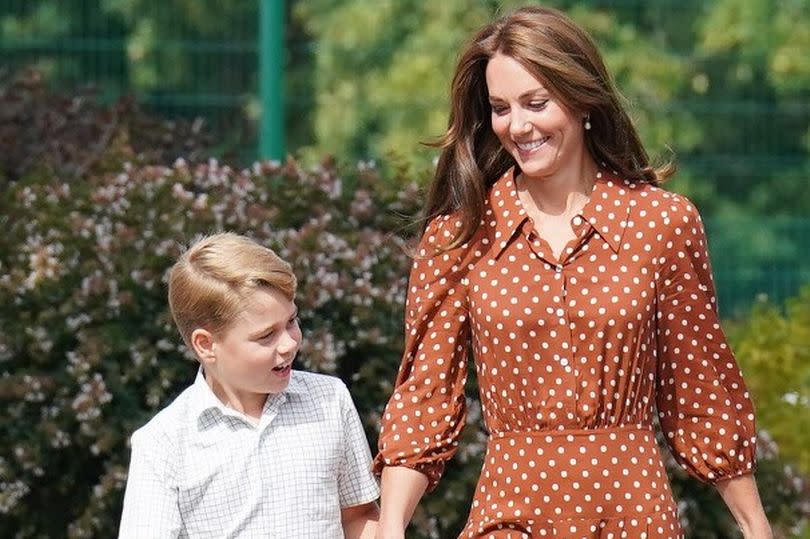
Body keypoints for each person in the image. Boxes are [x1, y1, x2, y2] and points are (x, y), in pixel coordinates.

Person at [373, 6, 771, 539]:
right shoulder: (458, 238)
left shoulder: (662, 223)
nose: (518, 125)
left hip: (635, 515)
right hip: (508, 513)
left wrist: (755, 526)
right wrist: (392, 525)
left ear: (583, 100)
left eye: (536, 103)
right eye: (500, 108)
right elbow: (425, 397)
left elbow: (699, 387)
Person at [118, 232, 380, 538]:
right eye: (266, 336)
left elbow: (358, 516)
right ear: (206, 345)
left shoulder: (329, 399)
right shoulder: (163, 444)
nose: (289, 343)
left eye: (292, 321)